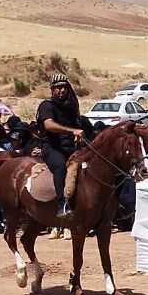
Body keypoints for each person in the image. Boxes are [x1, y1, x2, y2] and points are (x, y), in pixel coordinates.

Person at [34, 73, 95, 218]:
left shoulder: (71, 106)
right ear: (52, 89)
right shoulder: (46, 105)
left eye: (64, 87)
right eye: (58, 87)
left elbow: (77, 126)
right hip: (52, 147)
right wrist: (72, 131)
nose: (62, 90)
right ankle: (61, 204)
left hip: (72, 148)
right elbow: (48, 125)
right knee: (60, 166)